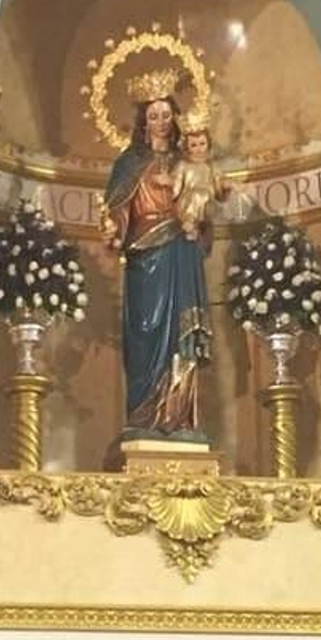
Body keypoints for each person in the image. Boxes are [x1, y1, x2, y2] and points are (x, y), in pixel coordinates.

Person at [101, 82, 212, 440]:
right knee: (145, 333)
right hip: (144, 254)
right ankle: (144, 417)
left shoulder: (188, 162)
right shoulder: (129, 163)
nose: (161, 121)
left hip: (181, 249)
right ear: (143, 122)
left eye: (166, 115)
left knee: (182, 334)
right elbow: (116, 207)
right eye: (154, 116)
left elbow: (204, 203)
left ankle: (179, 419)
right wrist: (113, 229)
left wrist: (199, 223)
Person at [173, 113, 228, 242]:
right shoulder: (183, 166)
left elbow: (219, 191)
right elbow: (175, 190)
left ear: (208, 144)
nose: (199, 149)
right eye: (194, 145)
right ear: (187, 147)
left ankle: (196, 227)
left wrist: (227, 185)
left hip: (207, 206)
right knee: (196, 195)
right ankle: (190, 224)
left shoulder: (211, 166)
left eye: (202, 143)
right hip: (187, 206)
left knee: (202, 195)